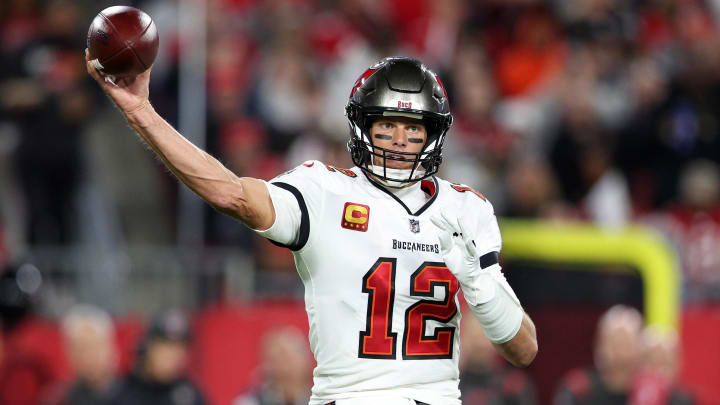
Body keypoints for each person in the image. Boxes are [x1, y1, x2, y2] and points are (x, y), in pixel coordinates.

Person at [85, 51, 537, 405]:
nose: (400, 140)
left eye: (413, 128)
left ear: (432, 134)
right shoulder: (325, 191)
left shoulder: (467, 209)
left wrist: (480, 283)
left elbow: (523, 349)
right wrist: (142, 112)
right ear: (363, 128)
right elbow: (233, 194)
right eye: (387, 126)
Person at [107, 310, 205, 405]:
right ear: (146, 347)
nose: (171, 356)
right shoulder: (120, 394)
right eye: (165, 346)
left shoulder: (189, 395)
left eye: (179, 348)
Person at [458, 310, 537, 405]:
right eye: (474, 335)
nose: (479, 343)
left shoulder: (513, 385)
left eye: (483, 335)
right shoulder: (449, 385)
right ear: (463, 338)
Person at [44, 305, 119, 405]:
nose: (88, 357)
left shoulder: (133, 396)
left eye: (94, 346)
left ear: (110, 348)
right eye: (81, 349)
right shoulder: (57, 399)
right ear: (69, 353)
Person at [233, 327, 313, 405]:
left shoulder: (318, 398)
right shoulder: (250, 401)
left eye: (289, 357)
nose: (285, 366)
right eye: (278, 357)